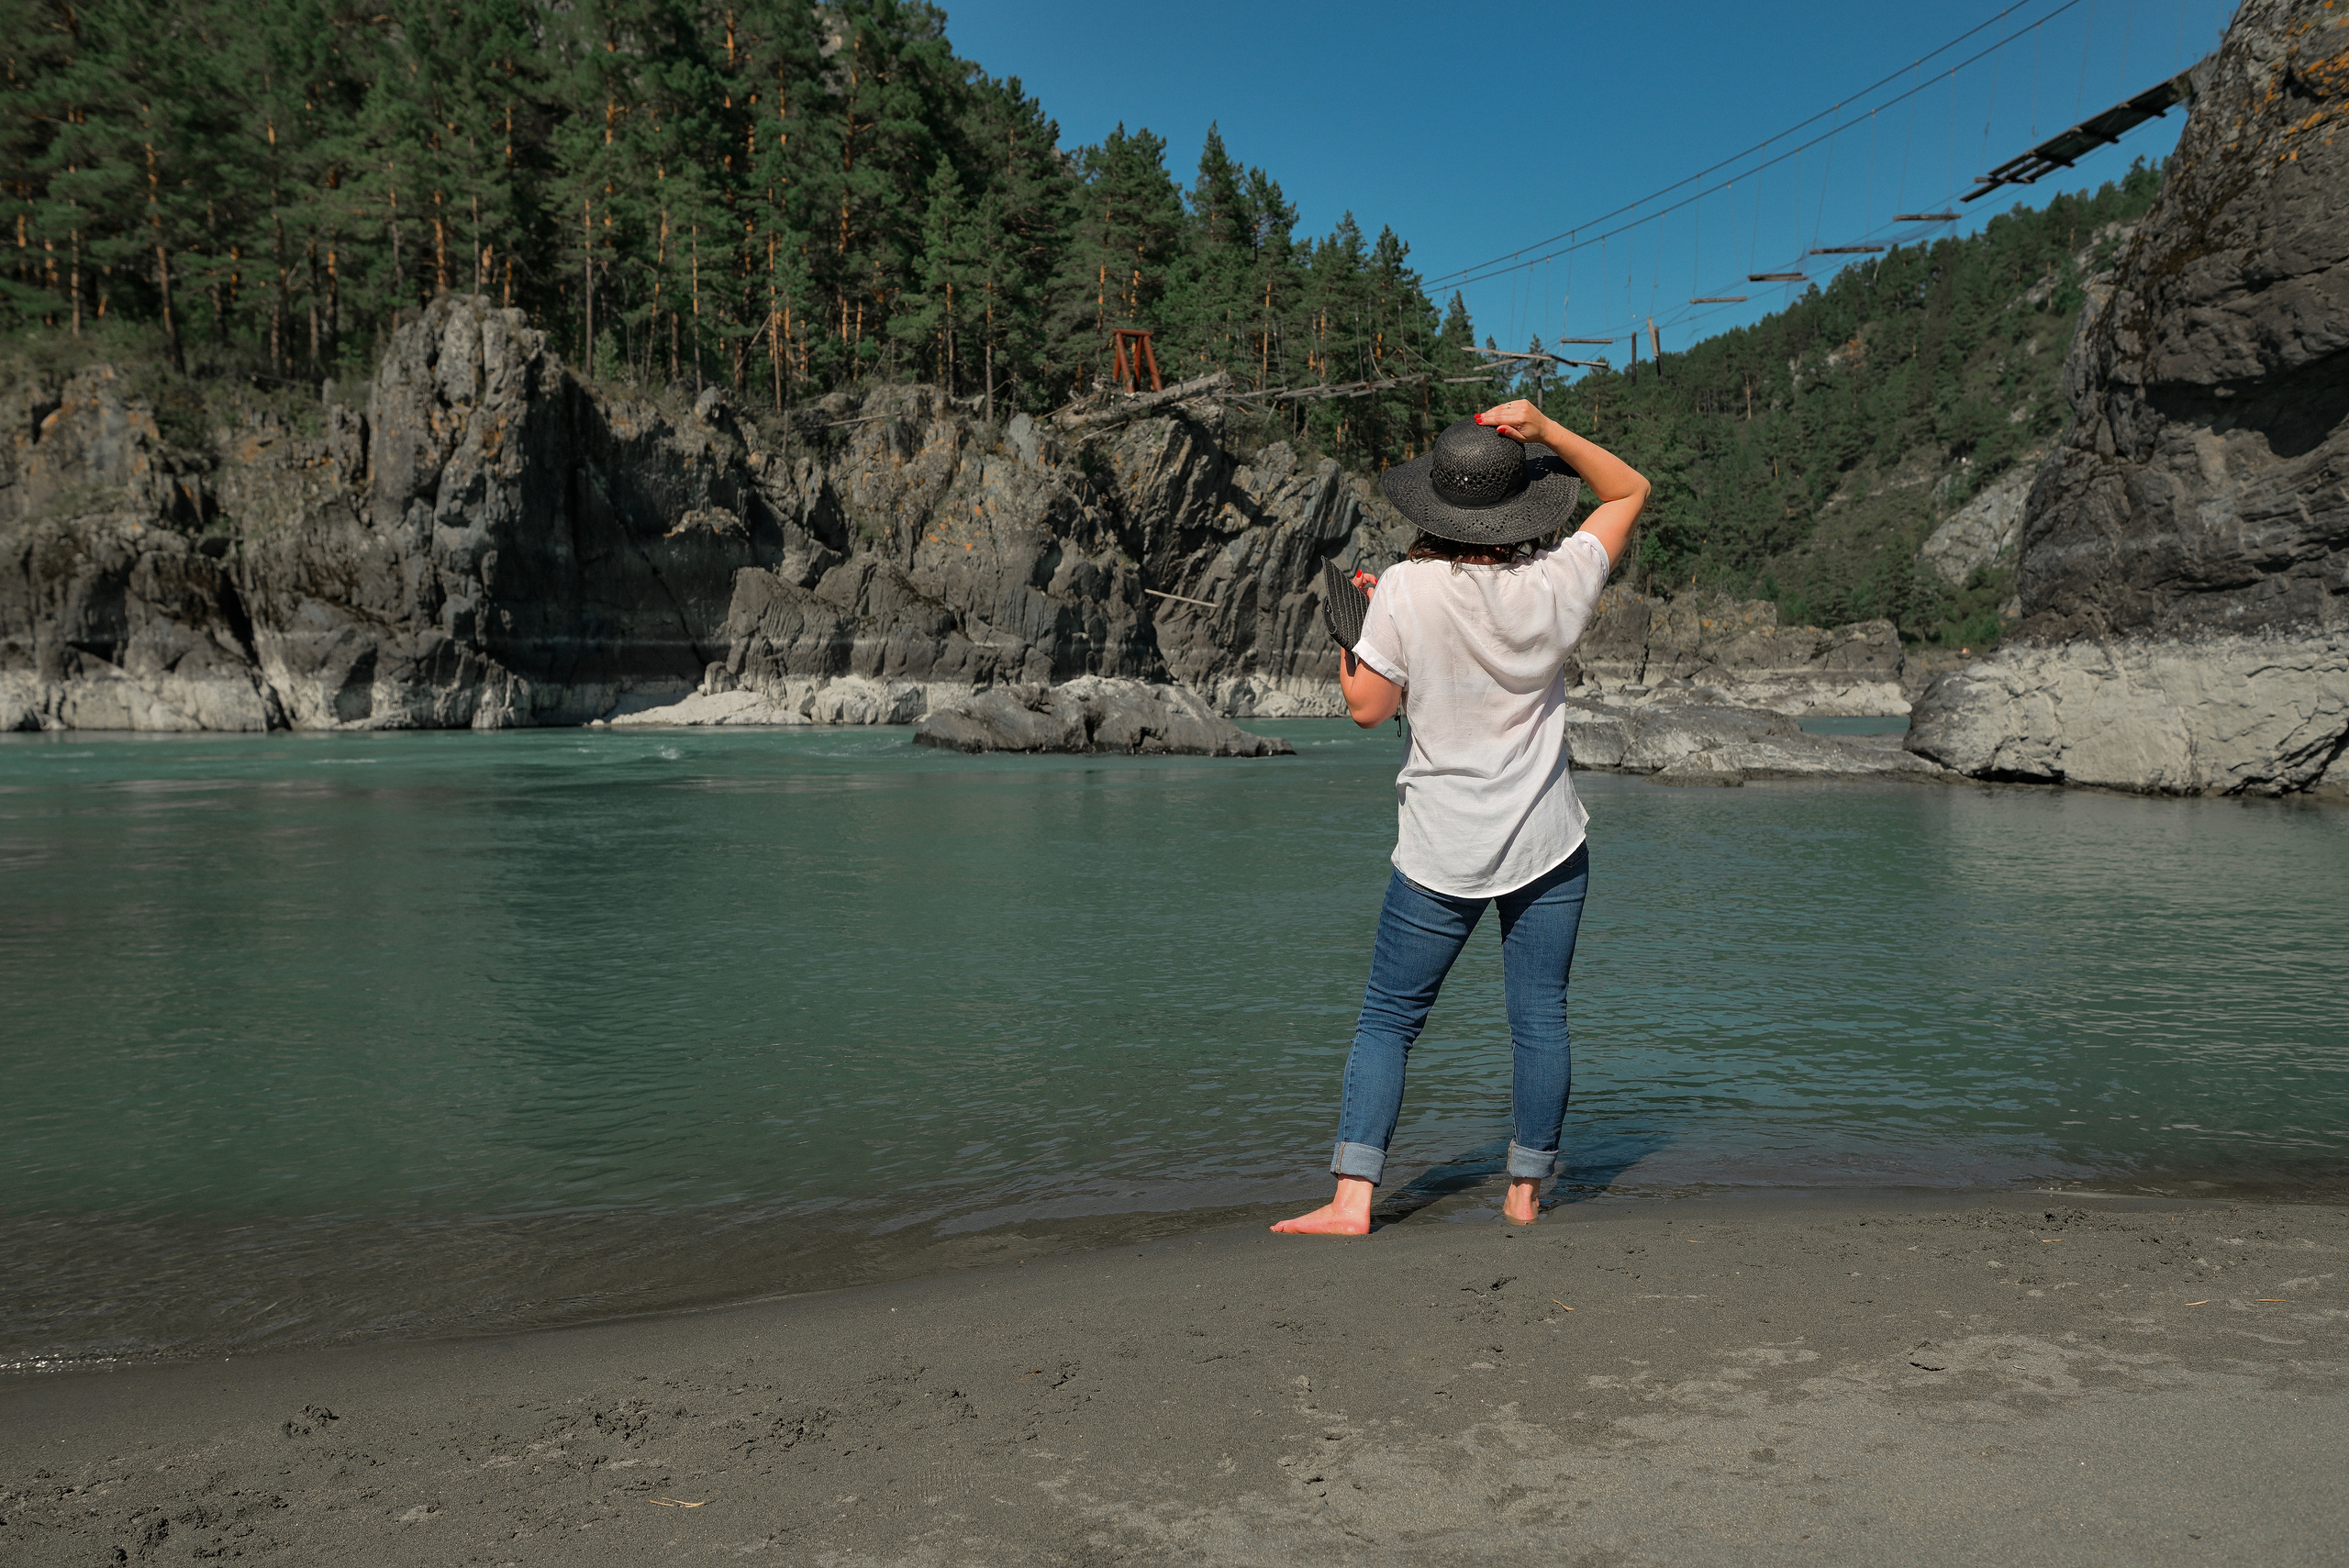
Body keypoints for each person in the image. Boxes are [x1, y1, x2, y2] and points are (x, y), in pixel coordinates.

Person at [1273, 399, 1649, 1235]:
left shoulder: (1405, 588)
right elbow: (1630, 490)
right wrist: (1548, 431)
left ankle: (1352, 1199)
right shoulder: (1559, 578)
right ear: (1518, 506)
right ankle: (1525, 1193)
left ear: (1435, 504)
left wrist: (1352, 631)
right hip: (1548, 839)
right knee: (1539, 1019)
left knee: (1389, 1018)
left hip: (1441, 847)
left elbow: (1369, 708)